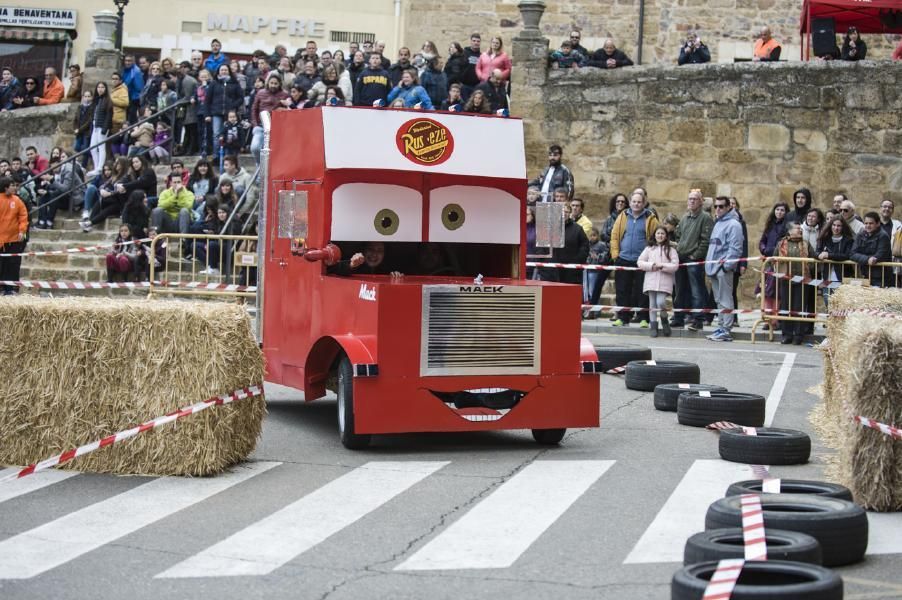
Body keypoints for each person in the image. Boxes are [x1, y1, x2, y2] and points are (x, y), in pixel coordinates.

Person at [610, 191, 659, 326]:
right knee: (622, 290)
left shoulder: (651, 218)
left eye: (639, 202)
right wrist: (615, 255)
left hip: (642, 261)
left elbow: (656, 238)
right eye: (634, 202)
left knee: (642, 290)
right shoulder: (623, 216)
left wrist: (651, 258)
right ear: (630, 203)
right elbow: (614, 236)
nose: (636, 204)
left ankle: (643, 317)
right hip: (623, 258)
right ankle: (623, 317)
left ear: (644, 203)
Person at [672, 189, 713, 331]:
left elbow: (706, 240)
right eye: (690, 199)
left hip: (693, 259)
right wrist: (679, 248)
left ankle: (698, 319)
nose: (692, 201)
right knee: (679, 290)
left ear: (701, 201)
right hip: (681, 257)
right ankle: (678, 317)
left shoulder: (705, 217)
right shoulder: (684, 217)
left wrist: (695, 255)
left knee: (697, 290)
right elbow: (678, 235)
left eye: (695, 199)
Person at [705, 197, 744, 342]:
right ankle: (721, 326)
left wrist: (726, 266)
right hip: (713, 268)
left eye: (721, 206)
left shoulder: (734, 224)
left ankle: (726, 329)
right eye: (716, 206)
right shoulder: (718, 223)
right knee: (718, 299)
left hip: (722, 268)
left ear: (728, 207)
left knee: (725, 298)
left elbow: (735, 248)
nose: (718, 209)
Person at [775, 222, 814, 344]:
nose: (800, 230)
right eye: (797, 228)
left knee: (799, 307)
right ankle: (787, 335)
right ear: (790, 231)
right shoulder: (782, 243)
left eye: (800, 228)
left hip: (803, 280)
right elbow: (774, 259)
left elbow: (813, 259)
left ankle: (798, 335)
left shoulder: (806, 244)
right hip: (786, 280)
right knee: (786, 307)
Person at [638, 226, 680, 337]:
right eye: (658, 233)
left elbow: (675, 265)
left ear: (666, 236)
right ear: (654, 235)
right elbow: (640, 262)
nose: (660, 235)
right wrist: (651, 265)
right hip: (650, 281)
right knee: (652, 304)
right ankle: (653, 325)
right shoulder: (649, 248)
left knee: (660, 302)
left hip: (664, 282)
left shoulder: (671, 250)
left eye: (662, 233)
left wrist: (663, 266)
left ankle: (664, 319)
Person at [537, 201, 590, 284]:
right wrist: (544, 267)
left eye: (566, 211)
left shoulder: (577, 229)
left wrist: (576, 262)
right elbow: (540, 249)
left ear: (570, 213)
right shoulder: (547, 228)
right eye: (561, 211)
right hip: (550, 273)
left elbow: (585, 247)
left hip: (571, 273)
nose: (564, 214)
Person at [758, 202, 788, 328]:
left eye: (782, 210)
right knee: (768, 291)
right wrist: (763, 249)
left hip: (779, 262)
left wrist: (772, 251)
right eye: (777, 209)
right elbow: (762, 241)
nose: (779, 212)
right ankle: (768, 319)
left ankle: (777, 320)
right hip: (769, 262)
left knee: (779, 293)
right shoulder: (770, 225)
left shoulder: (787, 225)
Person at [205, 64, 244, 158]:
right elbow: (208, 100)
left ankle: (229, 156)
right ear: (218, 71)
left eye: (226, 70)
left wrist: (232, 106)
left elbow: (240, 98)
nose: (224, 72)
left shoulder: (234, 83)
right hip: (216, 112)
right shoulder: (214, 83)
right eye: (222, 70)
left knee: (230, 133)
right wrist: (207, 114)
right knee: (216, 134)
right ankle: (216, 156)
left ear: (229, 71)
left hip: (230, 114)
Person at [816, 215, 855, 309]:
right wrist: (819, 255)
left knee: (841, 305)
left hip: (843, 277)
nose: (836, 228)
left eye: (839, 226)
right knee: (827, 302)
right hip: (827, 277)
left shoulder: (848, 240)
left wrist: (829, 255)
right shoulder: (824, 238)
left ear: (843, 227)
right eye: (834, 225)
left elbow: (846, 255)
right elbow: (817, 252)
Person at [250, 74, 288, 164]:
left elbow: (288, 111)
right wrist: (255, 124)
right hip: (260, 126)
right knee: (255, 147)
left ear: (279, 84)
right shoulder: (260, 93)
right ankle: (260, 167)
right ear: (268, 83)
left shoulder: (284, 95)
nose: (273, 85)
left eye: (276, 83)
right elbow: (254, 109)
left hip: (277, 128)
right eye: (271, 83)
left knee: (273, 153)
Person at [0, 177, 28, 294]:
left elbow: (23, 217)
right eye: (12, 185)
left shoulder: (17, 200)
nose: (15, 187)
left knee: (13, 265)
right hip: (1, 241)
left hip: (14, 240)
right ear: (6, 187)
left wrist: (22, 231)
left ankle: (11, 289)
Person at [850, 212, 892, 287]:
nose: (868, 226)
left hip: (881, 278)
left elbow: (880, 255)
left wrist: (869, 259)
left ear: (878, 223)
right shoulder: (860, 234)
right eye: (866, 223)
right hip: (864, 275)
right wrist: (867, 259)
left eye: (871, 223)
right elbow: (852, 254)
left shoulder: (883, 236)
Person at [89, 82, 113, 173]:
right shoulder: (96, 100)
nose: (100, 89)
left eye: (102, 87)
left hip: (102, 127)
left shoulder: (107, 101)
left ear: (105, 89)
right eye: (98, 87)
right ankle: (96, 167)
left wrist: (105, 128)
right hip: (95, 127)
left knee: (101, 147)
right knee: (92, 148)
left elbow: (109, 116)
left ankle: (100, 167)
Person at [74, 91, 95, 168]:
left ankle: (84, 166)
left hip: (86, 132)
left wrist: (79, 129)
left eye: (88, 96)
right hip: (79, 131)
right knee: (77, 147)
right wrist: (75, 128)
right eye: (85, 96)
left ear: (92, 97)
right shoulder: (80, 107)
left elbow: (89, 121)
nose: (87, 98)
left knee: (86, 148)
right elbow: (76, 119)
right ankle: (91, 154)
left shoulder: (92, 107)